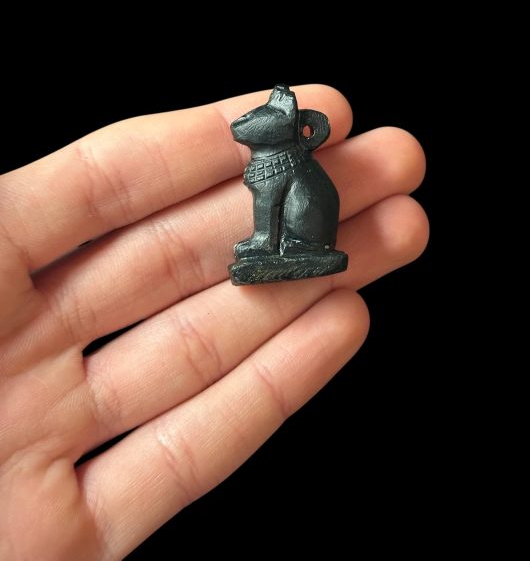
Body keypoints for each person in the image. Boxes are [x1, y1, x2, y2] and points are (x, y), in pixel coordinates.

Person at [0, 85, 428, 559]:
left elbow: (272, 201)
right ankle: (270, 245)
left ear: (282, 128)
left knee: (293, 211)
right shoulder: (273, 159)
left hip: (307, 238)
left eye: (256, 122)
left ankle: (287, 247)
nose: (242, 126)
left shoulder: (285, 162)